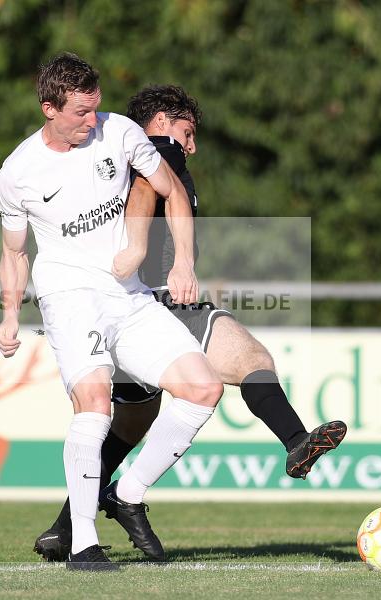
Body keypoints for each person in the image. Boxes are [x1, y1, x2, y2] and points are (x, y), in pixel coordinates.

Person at [33, 85, 347, 562]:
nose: (192, 143)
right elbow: (143, 192)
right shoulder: (160, 149)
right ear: (161, 121)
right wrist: (155, 255)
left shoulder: (122, 151)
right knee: (252, 359)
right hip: (157, 302)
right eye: (188, 130)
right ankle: (295, 440)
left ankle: (64, 528)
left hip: (113, 305)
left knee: (133, 421)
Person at [0, 54, 224, 571]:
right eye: (79, 113)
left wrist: (183, 262)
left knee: (203, 387)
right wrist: (10, 314)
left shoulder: (119, 132)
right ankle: (82, 545)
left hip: (127, 294)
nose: (91, 121)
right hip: (70, 296)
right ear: (49, 108)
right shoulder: (18, 173)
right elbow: (14, 252)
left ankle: (129, 492)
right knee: (95, 404)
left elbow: (172, 192)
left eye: (95, 108)